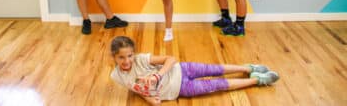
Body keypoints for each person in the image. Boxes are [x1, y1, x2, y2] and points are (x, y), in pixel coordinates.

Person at [110, 36, 279, 105]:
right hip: (180, 90)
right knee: (218, 85)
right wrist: (146, 97)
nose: (127, 61)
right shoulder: (116, 75)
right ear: (114, 57)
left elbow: (171, 59)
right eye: (121, 58)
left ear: (134, 53)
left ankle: (248, 68)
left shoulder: (141, 59)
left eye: (129, 56)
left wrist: (157, 75)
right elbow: (132, 86)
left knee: (216, 69)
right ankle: (258, 80)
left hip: (182, 69)